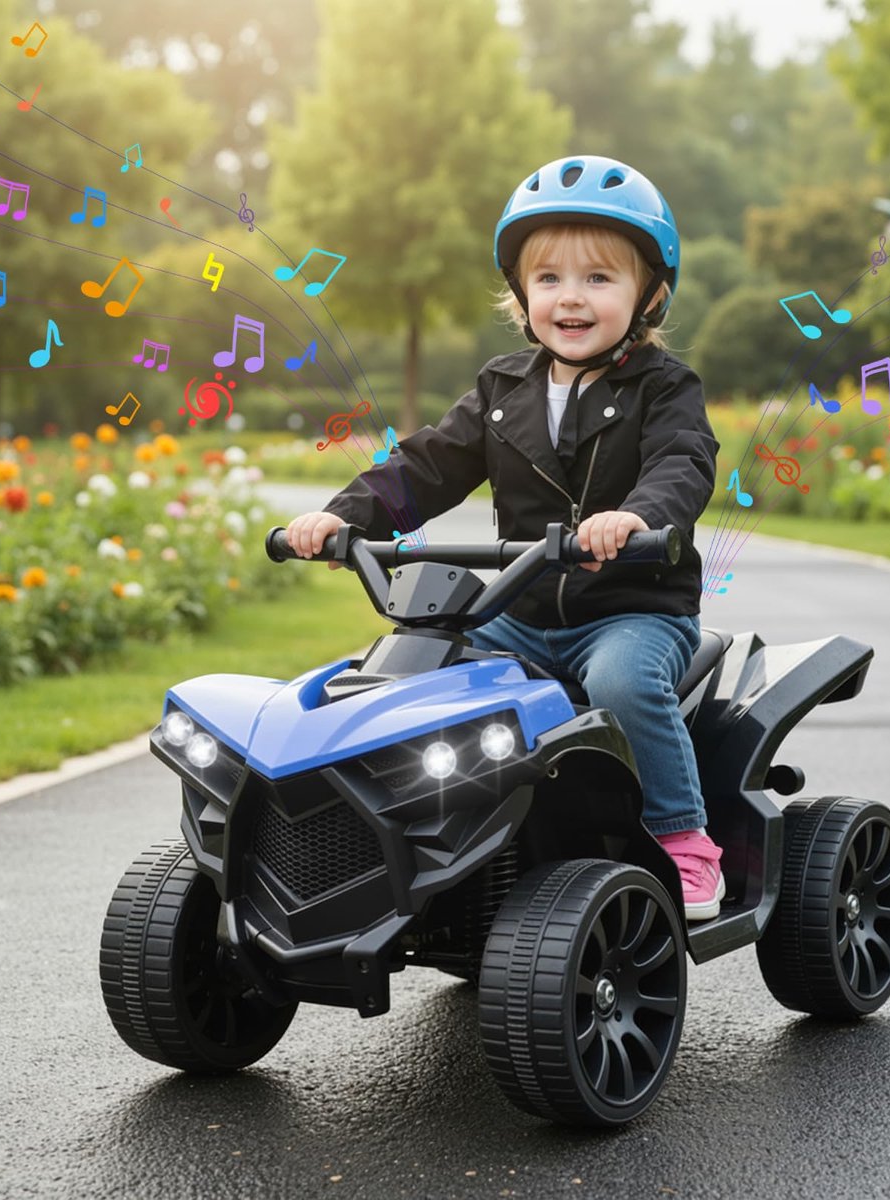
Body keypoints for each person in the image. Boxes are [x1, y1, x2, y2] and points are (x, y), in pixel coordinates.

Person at [286, 155, 724, 919]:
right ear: (521, 294)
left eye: (599, 278)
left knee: (623, 683)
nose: (571, 298)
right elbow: (423, 468)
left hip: (630, 610)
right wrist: (345, 516)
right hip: (517, 612)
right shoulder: (501, 389)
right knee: (419, 682)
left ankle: (683, 840)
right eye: (549, 278)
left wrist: (639, 518)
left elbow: (682, 463)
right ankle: (440, 843)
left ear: (649, 291)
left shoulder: (665, 387)